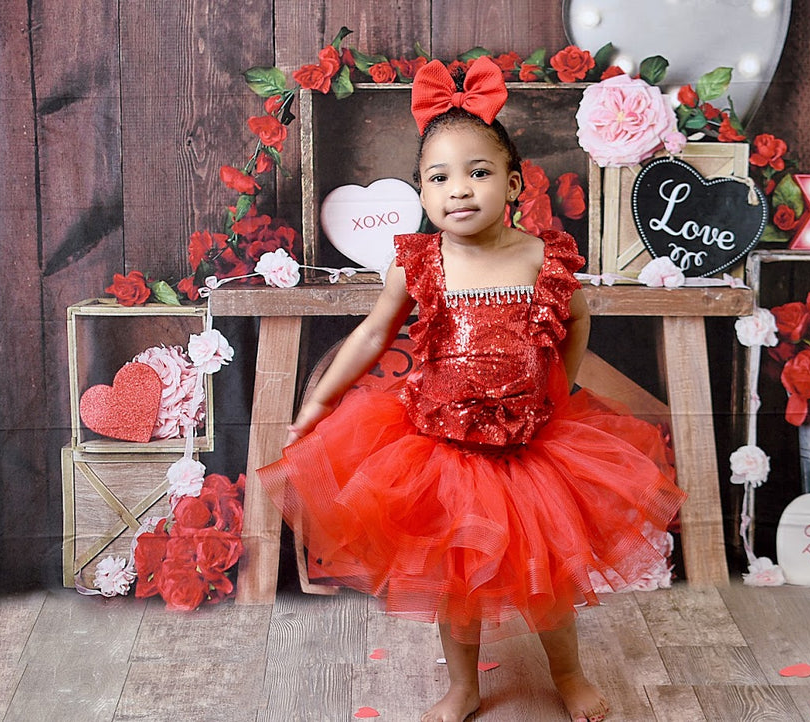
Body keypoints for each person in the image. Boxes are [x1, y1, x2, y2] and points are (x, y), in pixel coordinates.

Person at [259, 55, 686, 722]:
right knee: (457, 584)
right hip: (440, 450)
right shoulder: (421, 262)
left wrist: (560, 384)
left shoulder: (541, 256)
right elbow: (373, 336)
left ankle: (567, 675)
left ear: (513, 183)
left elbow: (576, 319)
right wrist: (320, 402)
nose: (459, 190)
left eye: (478, 172)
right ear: (423, 195)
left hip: (527, 449)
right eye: (440, 178)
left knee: (548, 577)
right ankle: (463, 687)